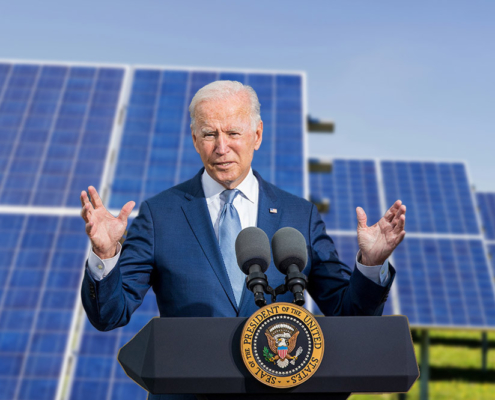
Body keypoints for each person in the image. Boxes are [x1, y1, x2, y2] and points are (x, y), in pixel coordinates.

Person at [80, 81, 406, 396]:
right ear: (195, 139)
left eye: (233, 133)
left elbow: (348, 315)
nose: (222, 148)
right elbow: (110, 315)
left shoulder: (299, 215)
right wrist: (105, 254)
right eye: (210, 134)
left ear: (257, 135)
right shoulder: (159, 215)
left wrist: (371, 263)